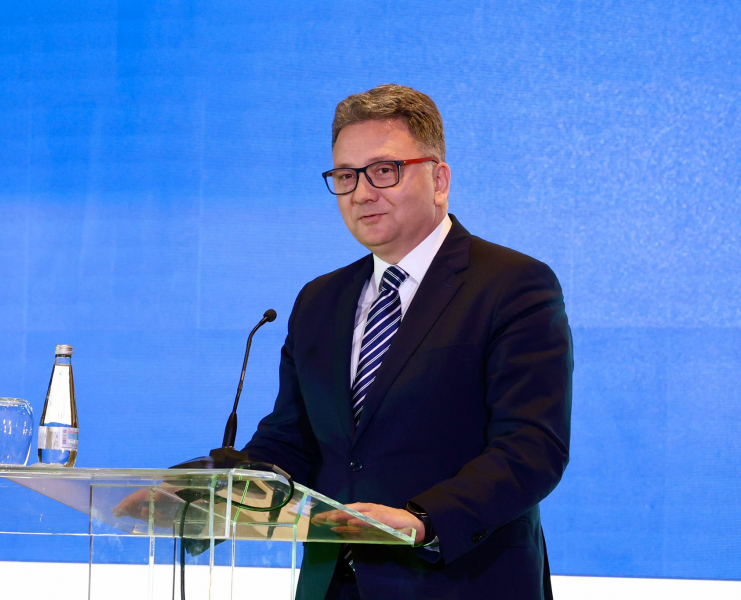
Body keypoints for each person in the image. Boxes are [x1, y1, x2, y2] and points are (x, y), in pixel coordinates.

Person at [242, 84, 573, 599]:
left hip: (462, 582)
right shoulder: (319, 300)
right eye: (346, 176)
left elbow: (532, 447)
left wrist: (422, 520)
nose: (361, 193)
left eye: (383, 170)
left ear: (439, 180)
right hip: (334, 587)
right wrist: (200, 492)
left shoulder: (512, 284)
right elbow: (291, 441)